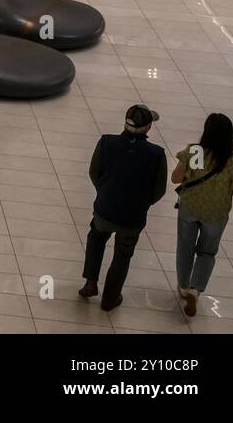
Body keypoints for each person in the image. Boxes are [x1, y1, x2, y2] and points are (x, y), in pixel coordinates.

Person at [79, 105, 167, 311]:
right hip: (132, 217)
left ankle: (90, 283)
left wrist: (105, 192)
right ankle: (110, 298)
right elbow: (159, 190)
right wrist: (143, 203)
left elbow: (94, 172)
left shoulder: (106, 142)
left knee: (96, 238)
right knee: (123, 255)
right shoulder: (156, 154)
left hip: (104, 210)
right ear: (147, 128)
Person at [170, 113, 233, 315]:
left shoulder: (196, 154)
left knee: (185, 247)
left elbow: (176, 179)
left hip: (190, 208)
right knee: (207, 252)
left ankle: (184, 286)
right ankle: (196, 290)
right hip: (216, 214)